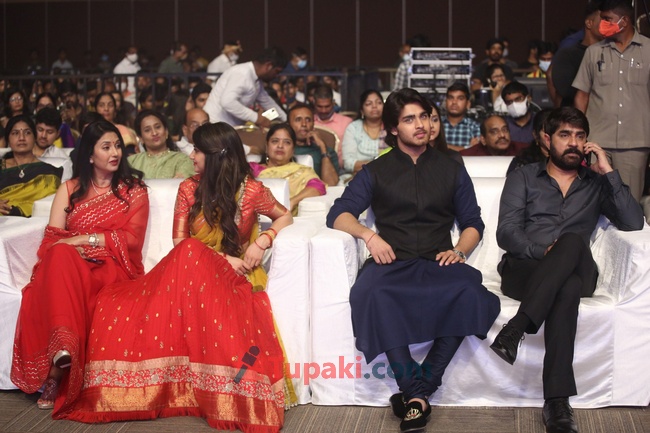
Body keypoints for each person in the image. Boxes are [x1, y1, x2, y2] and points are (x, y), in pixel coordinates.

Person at [63, 122, 294, 432]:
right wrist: (224, 258)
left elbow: (285, 215)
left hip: (233, 275)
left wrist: (262, 240)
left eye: (197, 150)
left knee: (191, 257)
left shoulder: (251, 190)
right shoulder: (189, 188)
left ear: (215, 155)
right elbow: (179, 241)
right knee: (184, 254)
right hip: (194, 267)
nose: (191, 156)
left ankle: (230, 391)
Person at [326, 88, 500, 433]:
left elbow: (472, 222)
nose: (421, 125)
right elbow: (339, 213)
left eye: (424, 117)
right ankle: (417, 392)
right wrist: (369, 236)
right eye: (409, 119)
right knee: (370, 293)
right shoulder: (376, 170)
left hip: (439, 261)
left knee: (471, 292)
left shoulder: (451, 167)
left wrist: (460, 251)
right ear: (393, 128)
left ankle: (415, 392)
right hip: (393, 261)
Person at [490, 107, 644, 433]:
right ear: (548, 140)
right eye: (565, 135)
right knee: (567, 287)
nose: (573, 142)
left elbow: (633, 221)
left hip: (579, 264)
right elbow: (507, 232)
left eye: (580, 136)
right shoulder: (523, 176)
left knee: (572, 241)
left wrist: (608, 171)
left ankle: (517, 328)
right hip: (525, 269)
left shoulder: (595, 183)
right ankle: (557, 402)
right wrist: (541, 251)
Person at [11, 120, 148, 414]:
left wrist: (84, 239)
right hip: (72, 265)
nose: (115, 153)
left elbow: (132, 240)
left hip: (111, 265)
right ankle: (63, 349)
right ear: (90, 155)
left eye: (117, 146)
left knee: (65, 257)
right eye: (106, 147)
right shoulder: (69, 189)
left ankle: (56, 372)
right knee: (60, 254)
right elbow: (52, 239)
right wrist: (73, 249)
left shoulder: (133, 190)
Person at [573, 0, 650, 202]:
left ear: (624, 21)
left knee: (629, 202)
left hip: (635, 142)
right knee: (594, 200)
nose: (602, 24)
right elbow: (582, 95)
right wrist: (579, 133)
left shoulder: (648, 50)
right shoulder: (593, 52)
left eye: (608, 19)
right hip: (597, 140)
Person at [251, 123, 325, 215]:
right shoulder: (252, 169)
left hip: (289, 219)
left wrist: (292, 201)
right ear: (267, 146)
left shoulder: (302, 171)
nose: (280, 146)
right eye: (275, 141)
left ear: (293, 149)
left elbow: (318, 187)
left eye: (287, 142)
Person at [203, 47, 288, 127]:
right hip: (214, 126)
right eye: (277, 71)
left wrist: (286, 120)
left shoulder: (256, 80)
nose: (276, 76)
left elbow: (268, 102)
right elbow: (227, 102)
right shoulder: (242, 73)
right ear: (268, 66)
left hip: (227, 127)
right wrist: (256, 118)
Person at [1, 115, 63, 216]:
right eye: (15, 133)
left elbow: (52, 204)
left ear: (35, 138)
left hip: (36, 222)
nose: (21, 138)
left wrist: (18, 210)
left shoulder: (50, 172)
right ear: (8, 139)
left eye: (27, 133)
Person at [547, 2, 603, 107]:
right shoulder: (569, 52)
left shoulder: (610, 52)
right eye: (603, 20)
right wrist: (560, 110)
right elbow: (551, 75)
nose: (608, 25)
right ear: (589, 23)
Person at [128, 110, 195, 179]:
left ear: (166, 132)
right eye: (147, 130)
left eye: (157, 127)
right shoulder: (131, 162)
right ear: (141, 138)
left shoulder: (182, 160)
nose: (154, 133)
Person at [288, 103, 339, 186]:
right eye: (298, 120)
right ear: (289, 124)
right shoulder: (282, 150)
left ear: (313, 124)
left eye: (308, 120)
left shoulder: (327, 151)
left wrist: (323, 148)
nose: (304, 124)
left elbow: (331, 184)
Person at [342, 89, 386, 174]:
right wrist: (376, 166)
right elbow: (348, 163)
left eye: (379, 103)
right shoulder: (353, 128)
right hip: (358, 175)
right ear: (362, 110)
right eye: (369, 104)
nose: (374, 106)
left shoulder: (391, 128)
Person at [312, 84, 352, 161]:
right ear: (314, 103)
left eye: (327, 106)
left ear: (333, 103)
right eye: (319, 106)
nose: (323, 111)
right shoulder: (308, 122)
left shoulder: (347, 123)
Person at [507, 108, 552, 174]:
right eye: (547, 131)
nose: (552, 136)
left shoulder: (567, 159)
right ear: (535, 135)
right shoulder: (524, 162)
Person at [460, 114, 529, 157]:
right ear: (483, 140)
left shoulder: (524, 151)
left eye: (505, 130)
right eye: (494, 132)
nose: (502, 135)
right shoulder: (468, 156)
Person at [442, 82, 481, 151]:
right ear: (446, 102)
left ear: (468, 104)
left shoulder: (475, 127)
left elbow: (476, 152)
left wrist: (443, 146)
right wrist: (467, 148)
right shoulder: (436, 124)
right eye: (451, 98)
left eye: (460, 98)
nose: (454, 102)